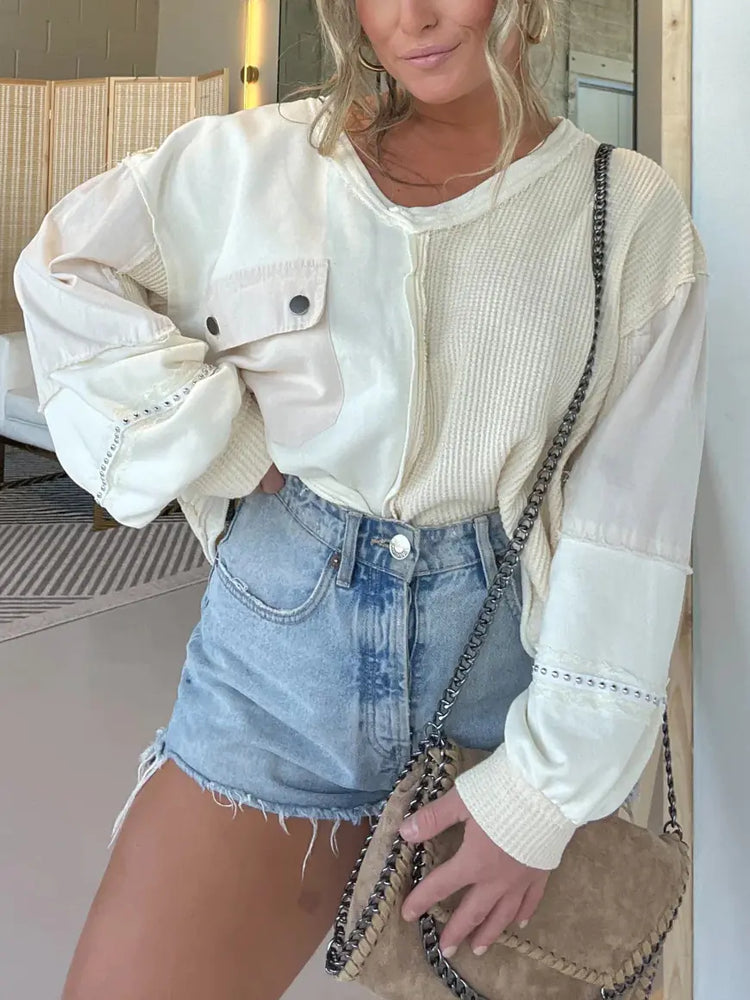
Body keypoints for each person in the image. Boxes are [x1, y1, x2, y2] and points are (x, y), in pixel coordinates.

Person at [14, 1, 708, 997]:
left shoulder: (626, 210)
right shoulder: (254, 162)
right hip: (276, 672)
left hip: (503, 682)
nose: (413, 16)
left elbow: (625, 527)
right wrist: (220, 440)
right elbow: (62, 271)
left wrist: (540, 796)